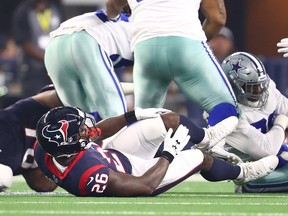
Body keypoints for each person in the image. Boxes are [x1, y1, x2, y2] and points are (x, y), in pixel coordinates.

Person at [34, 105, 278, 197]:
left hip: (115, 154)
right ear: (69, 146)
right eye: (80, 133)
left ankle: (207, 136)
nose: (88, 130)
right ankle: (241, 173)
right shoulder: (89, 175)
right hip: (138, 173)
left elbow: (97, 134)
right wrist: (168, 154)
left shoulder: (45, 149)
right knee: (200, 159)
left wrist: (132, 115)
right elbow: (144, 186)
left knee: (169, 120)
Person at [105, 0, 239, 149]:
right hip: (185, 42)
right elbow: (217, 18)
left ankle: (133, 163)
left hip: (145, 49)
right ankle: (210, 149)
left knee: (143, 122)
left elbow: (112, 7)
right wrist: (193, 47)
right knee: (227, 108)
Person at [209, 51, 288, 193]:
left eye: (260, 85)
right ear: (232, 86)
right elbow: (267, 149)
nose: (258, 91)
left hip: (279, 157)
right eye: (251, 87)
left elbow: (286, 110)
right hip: (254, 171)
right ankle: (251, 186)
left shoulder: (268, 88)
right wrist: (280, 125)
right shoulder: (228, 111)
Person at [44, 9, 133, 120]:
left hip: (53, 47)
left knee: (80, 124)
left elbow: (109, 86)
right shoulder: (147, 27)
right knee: (116, 119)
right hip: (86, 41)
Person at [0, 85, 61, 192]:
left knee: (3, 176)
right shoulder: (31, 109)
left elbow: (43, 185)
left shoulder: (53, 144)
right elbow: (55, 97)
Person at [12, 0, 63, 98]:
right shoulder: (23, 11)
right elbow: (23, 42)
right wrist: (47, 59)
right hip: (32, 70)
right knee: (33, 102)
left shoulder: (55, 9)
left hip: (55, 68)